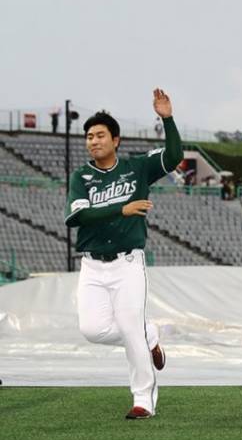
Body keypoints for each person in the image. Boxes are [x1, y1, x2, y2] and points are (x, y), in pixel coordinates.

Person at [64, 88, 184, 420]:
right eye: (89, 136)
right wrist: (123, 208)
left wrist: (168, 119)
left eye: (100, 135)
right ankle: (148, 335)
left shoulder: (137, 168)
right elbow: (78, 217)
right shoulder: (82, 177)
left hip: (128, 262)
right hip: (92, 265)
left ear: (115, 140)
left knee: (128, 325)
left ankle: (143, 400)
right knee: (93, 330)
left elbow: (174, 156)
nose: (93, 141)